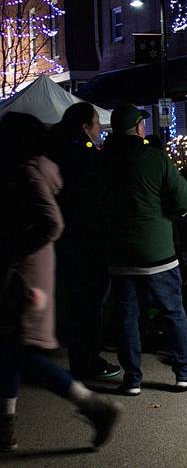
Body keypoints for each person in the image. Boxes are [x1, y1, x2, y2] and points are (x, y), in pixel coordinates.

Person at [0, 112, 120, 452]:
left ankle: (95, 406)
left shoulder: (26, 171)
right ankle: (5, 427)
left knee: (21, 352)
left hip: (25, 278)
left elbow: (51, 223)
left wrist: (14, 251)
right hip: (29, 273)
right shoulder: (34, 169)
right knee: (12, 351)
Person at [102, 103, 187, 395]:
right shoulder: (155, 158)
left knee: (126, 316)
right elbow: (184, 199)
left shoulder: (103, 161)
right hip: (157, 252)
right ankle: (184, 373)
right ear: (138, 128)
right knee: (173, 311)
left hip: (119, 253)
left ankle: (132, 379)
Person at [49, 102, 121, 380]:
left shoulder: (58, 152)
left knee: (79, 301)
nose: (100, 127)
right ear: (84, 126)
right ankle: (88, 360)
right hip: (87, 241)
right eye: (96, 122)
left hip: (67, 241)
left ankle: (82, 356)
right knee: (89, 303)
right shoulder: (85, 157)